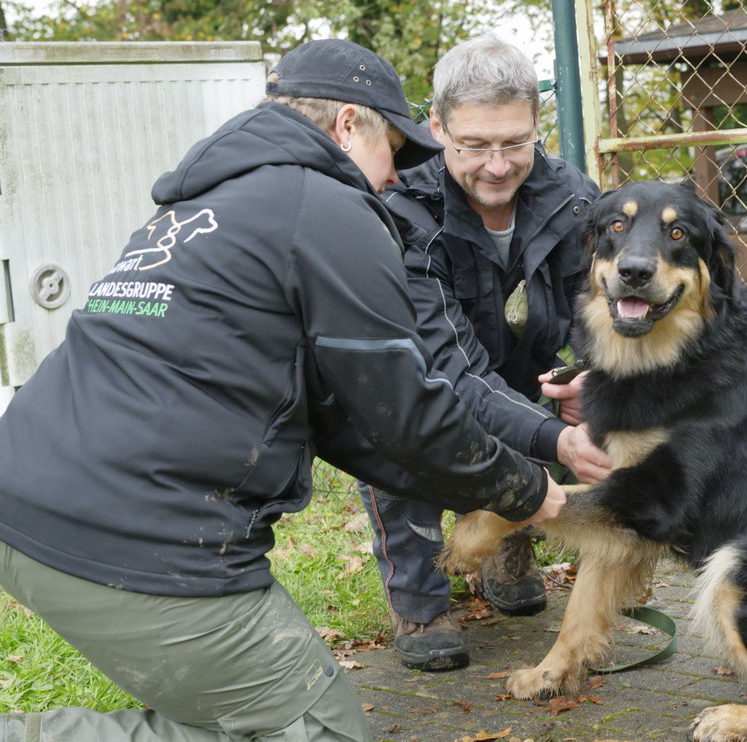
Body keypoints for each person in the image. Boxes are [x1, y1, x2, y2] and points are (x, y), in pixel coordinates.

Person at [0, 38, 563, 741]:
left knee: (236, 713)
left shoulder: (213, 204)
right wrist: (533, 491)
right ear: (349, 123)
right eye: (393, 148)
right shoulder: (323, 204)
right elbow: (408, 409)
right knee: (317, 733)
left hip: (34, 497)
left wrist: (486, 488)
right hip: (137, 533)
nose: (392, 179)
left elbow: (347, 423)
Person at [354, 34, 611, 672]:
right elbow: (454, 369)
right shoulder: (401, 212)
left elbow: (595, 313)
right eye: (473, 147)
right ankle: (419, 596)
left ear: (535, 124)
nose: (497, 166)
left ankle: (507, 539)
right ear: (437, 127)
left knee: (581, 413)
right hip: (424, 389)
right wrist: (554, 441)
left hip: (522, 382)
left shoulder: (575, 196)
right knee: (397, 421)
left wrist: (590, 381)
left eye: (514, 143)